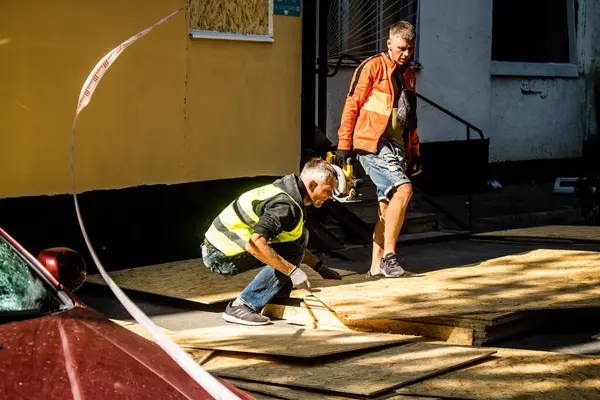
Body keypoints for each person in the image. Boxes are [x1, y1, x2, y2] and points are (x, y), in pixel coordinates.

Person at [201, 158, 342, 326]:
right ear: (312, 185)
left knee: (299, 237)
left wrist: (320, 268)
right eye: (328, 190)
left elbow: (291, 243)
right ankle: (242, 306)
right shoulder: (285, 206)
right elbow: (255, 244)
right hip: (220, 253)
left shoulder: (290, 195)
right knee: (293, 253)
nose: (331, 196)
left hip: (220, 247)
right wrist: (292, 271)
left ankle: (275, 298)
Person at [336, 21, 422, 278]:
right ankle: (389, 257)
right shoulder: (372, 67)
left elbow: (410, 118)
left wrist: (414, 150)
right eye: (401, 48)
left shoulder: (409, 75)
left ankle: (375, 268)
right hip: (372, 143)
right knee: (404, 190)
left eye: (410, 49)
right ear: (389, 44)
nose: (405, 54)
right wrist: (343, 146)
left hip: (396, 146)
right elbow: (352, 104)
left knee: (386, 207)